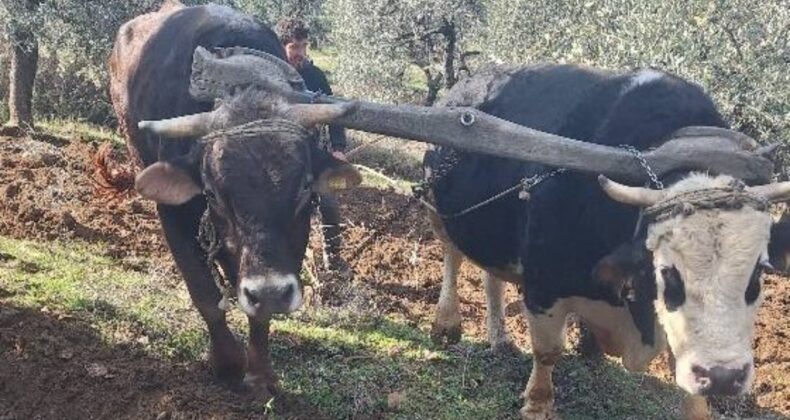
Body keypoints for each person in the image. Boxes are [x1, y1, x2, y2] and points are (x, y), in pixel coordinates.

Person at [276, 18, 350, 273]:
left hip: (310, 151)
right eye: (294, 47)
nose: (301, 53)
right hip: (276, 154)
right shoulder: (270, 74)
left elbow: (335, 114)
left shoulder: (316, 76)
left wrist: (338, 148)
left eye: (304, 46)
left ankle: (334, 258)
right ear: (282, 46)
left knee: (329, 202)